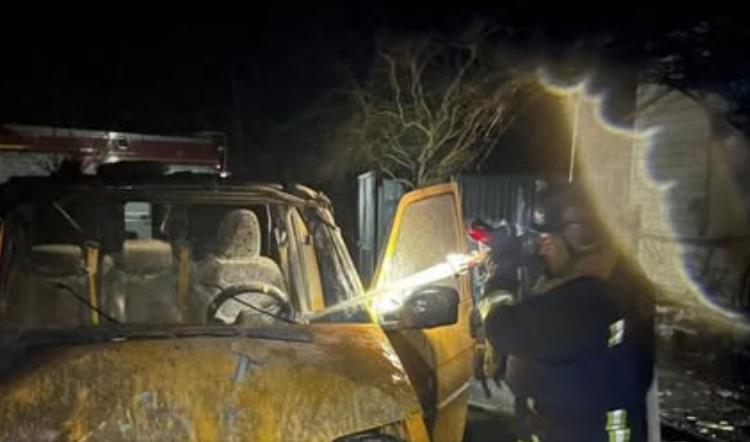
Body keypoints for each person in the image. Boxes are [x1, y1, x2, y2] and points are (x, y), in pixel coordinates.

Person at [481, 184, 655, 442]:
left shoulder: (586, 304)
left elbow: (502, 328)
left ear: (584, 238)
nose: (543, 250)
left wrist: (500, 274)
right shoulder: (619, 285)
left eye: (548, 240)